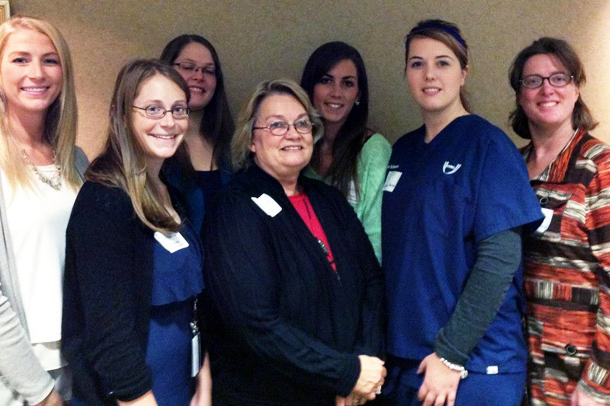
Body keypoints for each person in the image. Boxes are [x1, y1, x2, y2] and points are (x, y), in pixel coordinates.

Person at [381, 19, 543, 406]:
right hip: (410, 360)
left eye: (443, 62)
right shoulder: (403, 151)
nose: (429, 74)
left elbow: (500, 260)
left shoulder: (488, 147)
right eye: (417, 63)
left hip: (472, 366)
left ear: (464, 72)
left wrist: (451, 353)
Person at [200, 79, 385, 405]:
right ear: (252, 140)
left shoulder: (328, 200)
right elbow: (255, 322)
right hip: (271, 396)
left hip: (348, 393)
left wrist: (362, 368)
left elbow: (371, 281)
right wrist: (343, 373)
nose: (293, 133)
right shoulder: (234, 208)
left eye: (302, 123)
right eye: (277, 125)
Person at [0, 16, 88, 406]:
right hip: (4, 385)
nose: (36, 73)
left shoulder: (76, 161)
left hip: (72, 368)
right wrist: (42, 394)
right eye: (20, 60)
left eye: (50, 60)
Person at [61, 59, 210, 406]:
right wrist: (139, 399)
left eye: (178, 109)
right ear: (121, 114)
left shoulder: (170, 191)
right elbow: (107, 332)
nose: (169, 122)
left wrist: (203, 381)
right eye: (153, 109)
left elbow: (192, 307)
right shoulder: (104, 202)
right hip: (133, 396)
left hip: (181, 387)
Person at [509, 37, 610, 406]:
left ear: (576, 88)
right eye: (533, 80)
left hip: (587, 378)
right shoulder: (509, 169)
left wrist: (601, 385)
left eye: (559, 78)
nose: (546, 89)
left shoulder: (604, 169)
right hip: (529, 370)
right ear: (520, 95)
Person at [300, 41, 391, 263]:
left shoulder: (374, 150)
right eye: (326, 81)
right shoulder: (295, 145)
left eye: (347, 83)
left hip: (354, 283)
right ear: (310, 88)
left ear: (358, 94)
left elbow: (375, 244)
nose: (336, 93)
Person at [160, 34, 234, 231]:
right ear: (167, 70)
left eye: (208, 70)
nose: (199, 76)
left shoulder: (230, 145)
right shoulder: (154, 143)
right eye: (187, 66)